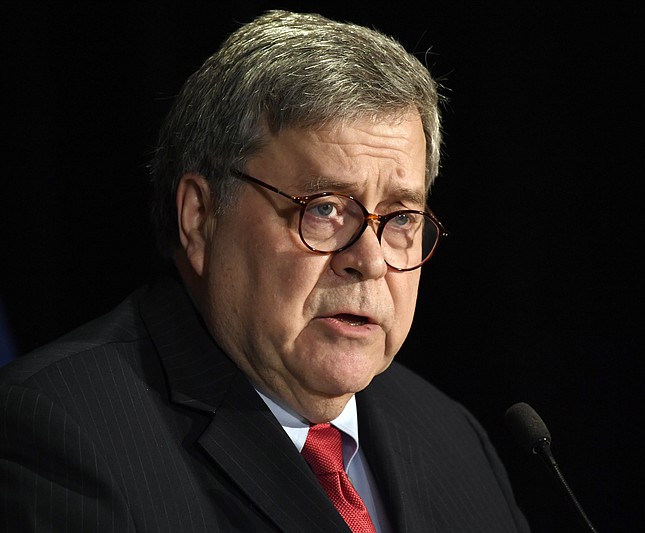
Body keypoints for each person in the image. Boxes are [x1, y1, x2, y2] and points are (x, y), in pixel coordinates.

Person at [0, 10, 530, 532]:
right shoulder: (61, 430)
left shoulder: (453, 438)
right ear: (200, 217)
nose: (368, 260)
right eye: (324, 208)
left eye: (399, 218)